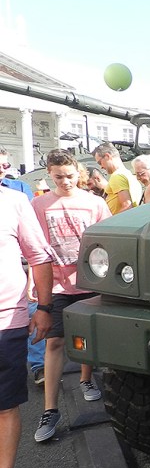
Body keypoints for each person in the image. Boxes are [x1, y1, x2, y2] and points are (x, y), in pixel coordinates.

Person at [30, 150, 112, 443]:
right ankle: (50, 409)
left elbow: (107, 238)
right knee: (54, 342)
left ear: (78, 172)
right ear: (50, 175)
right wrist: (33, 282)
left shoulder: (94, 202)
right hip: (55, 284)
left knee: (87, 336)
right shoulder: (39, 204)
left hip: (89, 280)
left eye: (69, 176)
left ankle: (86, 379)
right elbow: (34, 249)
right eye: (58, 177)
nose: (65, 181)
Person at [0, 182, 54, 468]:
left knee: (5, 405)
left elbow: (39, 256)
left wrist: (45, 308)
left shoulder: (15, 201)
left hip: (6, 319)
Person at [1, 148, 46, 385]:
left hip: (11, 299)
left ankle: (39, 365)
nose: (2, 170)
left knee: (30, 311)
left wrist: (44, 306)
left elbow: (36, 251)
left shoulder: (17, 194)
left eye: (5, 165)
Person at [93, 142, 143, 214]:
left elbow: (127, 206)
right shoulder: (130, 176)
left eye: (100, 162)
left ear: (107, 156)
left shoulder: (117, 176)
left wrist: (109, 220)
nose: (101, 167)